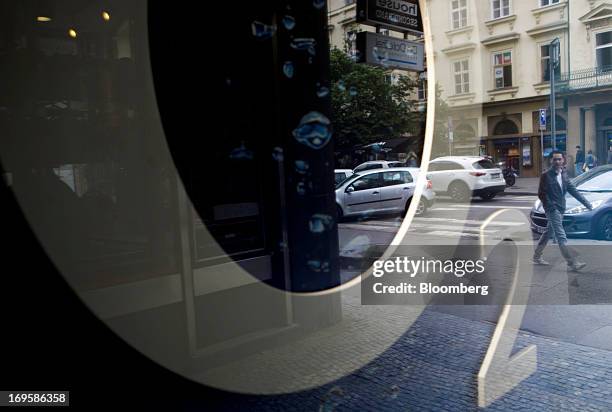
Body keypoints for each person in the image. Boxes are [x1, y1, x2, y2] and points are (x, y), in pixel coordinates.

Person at [533, 150, 592, 270]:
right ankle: (572, 263)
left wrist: (587, 203)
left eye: (559, 159)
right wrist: (552, 207)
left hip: (561, 208)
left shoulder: (564, 174)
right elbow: (542, 194)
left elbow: (573, 190)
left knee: (548, 232)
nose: (557, 161)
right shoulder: (546, 175)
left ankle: (536, 256)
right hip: (552, 209)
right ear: (551, 161)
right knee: (561, 235)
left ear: (563, 160)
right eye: (554, 159)